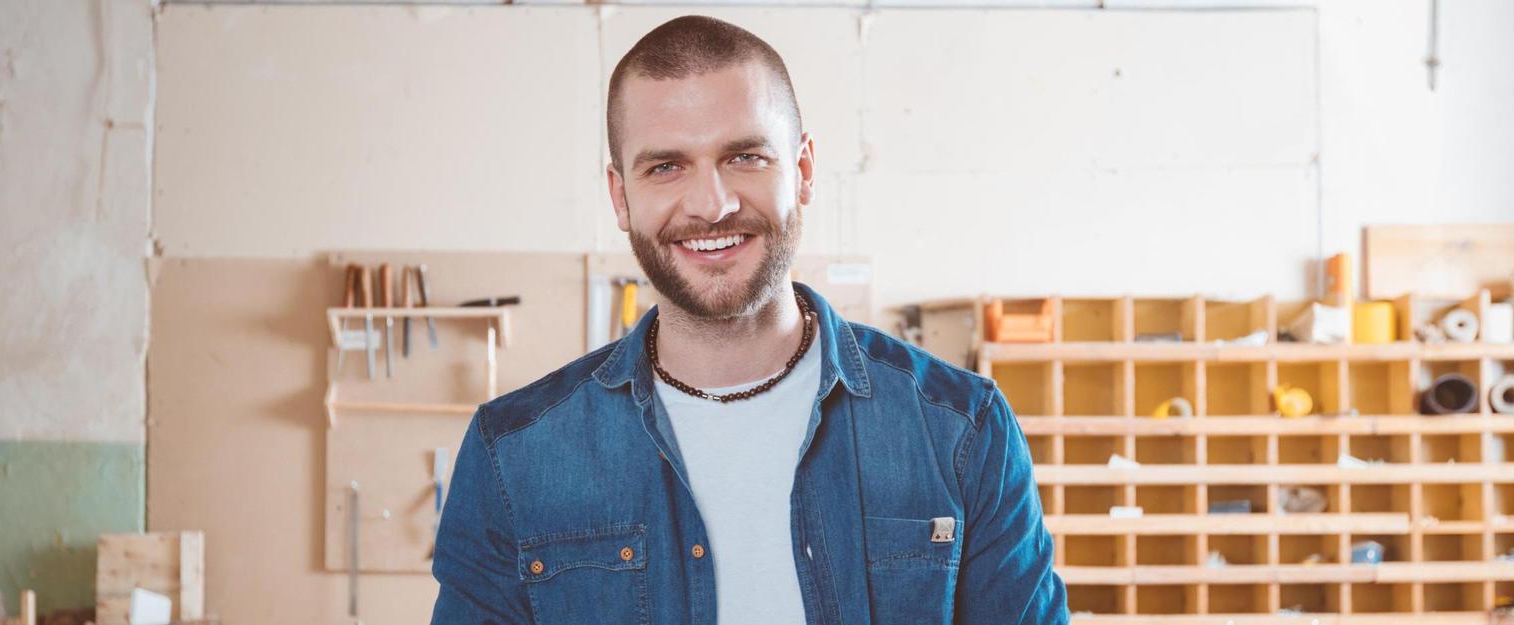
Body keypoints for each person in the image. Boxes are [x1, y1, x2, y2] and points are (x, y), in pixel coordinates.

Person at [431, 15, 1066, 625]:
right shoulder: (513, 455)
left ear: (805, 169)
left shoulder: (961, 431)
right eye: (666, 166)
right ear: (620, 196)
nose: (712, 205)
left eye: (746, 157)